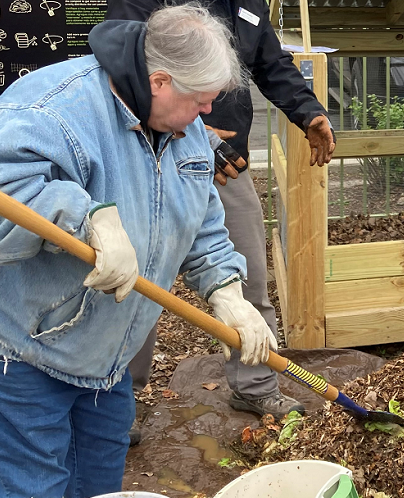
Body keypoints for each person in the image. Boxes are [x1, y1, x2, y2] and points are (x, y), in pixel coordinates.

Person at [0, 5, 275, 498]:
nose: (207, 113)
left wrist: (227, 292)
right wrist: (88, 215)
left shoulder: (185, 129)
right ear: (159, 81)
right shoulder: (53, 107)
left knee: (100, 497)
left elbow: (203, 218)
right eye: (200, 100)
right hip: (9, 338)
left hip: (101, 349)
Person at [106, 0, 336, 426]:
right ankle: (121, 401)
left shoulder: (246, 4)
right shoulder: (139, 3)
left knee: (246, 273)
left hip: (227, 170)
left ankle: (256, 387)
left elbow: (273, 63)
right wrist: (197, 134)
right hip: (145, 159)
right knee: (134, 281)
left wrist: (310, 112)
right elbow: (127, 72)